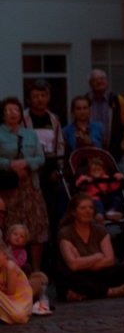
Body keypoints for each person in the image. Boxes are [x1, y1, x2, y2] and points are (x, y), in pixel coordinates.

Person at [0, 97, 49, 273]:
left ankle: (35, 270)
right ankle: (9, 268)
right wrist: (10, 165)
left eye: (16, 110)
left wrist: (26, 163)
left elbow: (41, 158)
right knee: (10, 228)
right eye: (9, 110)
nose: (13, 113)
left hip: (30, 186)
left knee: (36, 228)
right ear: (3, 113)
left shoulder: (30, 134)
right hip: (9, 188)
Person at [57, 193, 124, 301]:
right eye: (83, 208)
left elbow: (109, 260)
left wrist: (83, 262)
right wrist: (97, 256)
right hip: (80, 275)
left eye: (91, 208)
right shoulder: (65, 232)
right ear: (74, 212)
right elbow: (73, 265)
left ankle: (86, 293)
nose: (88, 211)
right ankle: (109, 291)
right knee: (65, 275)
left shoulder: (100, 230)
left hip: (100, 273)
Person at [22, 80, 65, 237]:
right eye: (35, 96)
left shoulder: (54, 119)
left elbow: (59, 144)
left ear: (48, 97)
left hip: (50, 168)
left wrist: (58, 169)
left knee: (51, 210)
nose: (40, 99)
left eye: (43, 95)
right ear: (29, 99)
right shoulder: (23, 118)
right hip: (30, 169)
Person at [87, 69, 124, 164]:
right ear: (90, 83)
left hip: (115, 155)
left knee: (117, 178)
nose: (99, 82)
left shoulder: (117, 100)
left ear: (107, 81)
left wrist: (122, 147)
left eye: (102, 79)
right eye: (95, 80)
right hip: (91, 154)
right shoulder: (85, 102)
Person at [74, 157, 124, 222]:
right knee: (98, 203)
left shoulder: (106, 177)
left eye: (99, 170)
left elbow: (113, 188)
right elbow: (78, 183)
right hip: (93, 198)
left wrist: (117, 179)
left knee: (117, 198)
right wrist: (85, 179)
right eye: (94, 170)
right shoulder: (87, 178)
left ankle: (111, 212)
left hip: (105, 197)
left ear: (103, 170)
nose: (96, 172)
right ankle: (100, 214)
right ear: (89, 171)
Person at [0, 243, 31, 324]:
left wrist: (2, 288)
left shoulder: (10, 266)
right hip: (5, 298)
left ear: (4, 253)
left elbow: (11, 292)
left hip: (17, 300)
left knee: (18, 315)